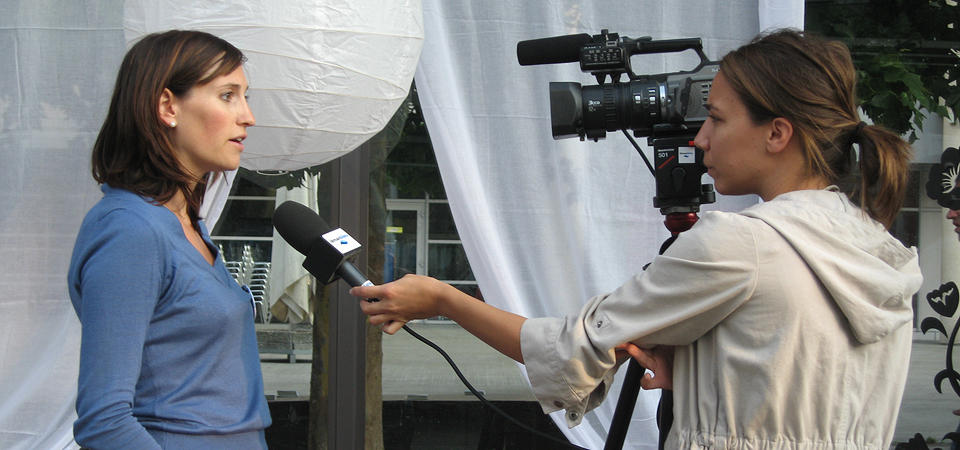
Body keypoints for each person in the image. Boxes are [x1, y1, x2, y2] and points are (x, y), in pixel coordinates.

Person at [351, 28, 922, 450]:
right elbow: (804, 375)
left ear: (777, 133)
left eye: (717, 120)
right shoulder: (876, 251)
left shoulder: (743, 245)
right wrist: (709, 369)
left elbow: (570, 350)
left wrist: (443, 300)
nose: (699, 139)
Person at [67, 30, 270, 449]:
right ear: (167, 106)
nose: (248, 116)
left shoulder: (185, 223)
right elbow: (104, 420)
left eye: (245, 96)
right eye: (228, 95)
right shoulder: (131, 230)